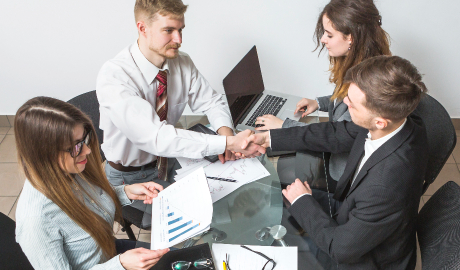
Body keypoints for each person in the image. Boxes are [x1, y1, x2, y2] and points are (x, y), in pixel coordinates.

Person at [243, 56, 428, 269]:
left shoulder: (385, 184)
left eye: (352, 103)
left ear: (379, 122)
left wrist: (303, 202)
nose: (344, 102)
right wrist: (268, 139)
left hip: (363, 259)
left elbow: (339, 248)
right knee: (274, 198)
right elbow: (336, 133)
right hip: (356, 214)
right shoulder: (401, 120)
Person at [96, 0, 261, 187]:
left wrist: (226, 135)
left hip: (170, 160)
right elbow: (157, 137)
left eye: (180, 30)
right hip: (129, 178)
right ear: (143, 28)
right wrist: (226, 144)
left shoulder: (182, 62)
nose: (179, 40)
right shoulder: (115, 76)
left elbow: (212, 102)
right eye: (168, 31)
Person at [15, 97, 169, 270]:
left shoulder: (69, 170)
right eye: (75, 147)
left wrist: (125, 192)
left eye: (84, 140)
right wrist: (120, 265)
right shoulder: (36, 221)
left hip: (110, 253)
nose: (87, 150)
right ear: (44, 154)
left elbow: (89, 200)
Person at [254, 0, 391, 191]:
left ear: (351, 37)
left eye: (329, 34)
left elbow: (337, 137)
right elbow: (344, 98)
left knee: (275, 178)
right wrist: (319, 103)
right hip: (336, 148)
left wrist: (283, 126)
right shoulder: (363, 64)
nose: (322, 39)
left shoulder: (368, 85)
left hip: (342, 172)